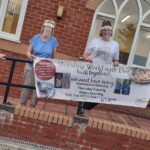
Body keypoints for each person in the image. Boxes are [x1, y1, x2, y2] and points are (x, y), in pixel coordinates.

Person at [82, 20, 120, 110]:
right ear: (101, 31)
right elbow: (85, 55)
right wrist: (87, 59)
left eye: (108, 30)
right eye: (104, 30)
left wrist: (116, 64)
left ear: (111, 31)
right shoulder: (95, 41)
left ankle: (85, 110)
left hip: (104, 76)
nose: (106, 32)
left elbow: (116, 59)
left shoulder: (115, 44)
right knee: (86, 93)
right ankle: (82, 115)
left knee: (99, 96)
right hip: (91, 72)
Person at [20, 19, 58, 107]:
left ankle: (32, 106)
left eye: (50, 28)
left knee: (38, 88)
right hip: (31, 65)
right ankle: (22, 105)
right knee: (27, 85)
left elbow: (53, 57)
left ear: (53, 30)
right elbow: (28, 52)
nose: (48, 30)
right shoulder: (36, 37)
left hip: (43, 68)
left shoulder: (54, 41)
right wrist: (30, 55)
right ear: (43, 27)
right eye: (47, 27)